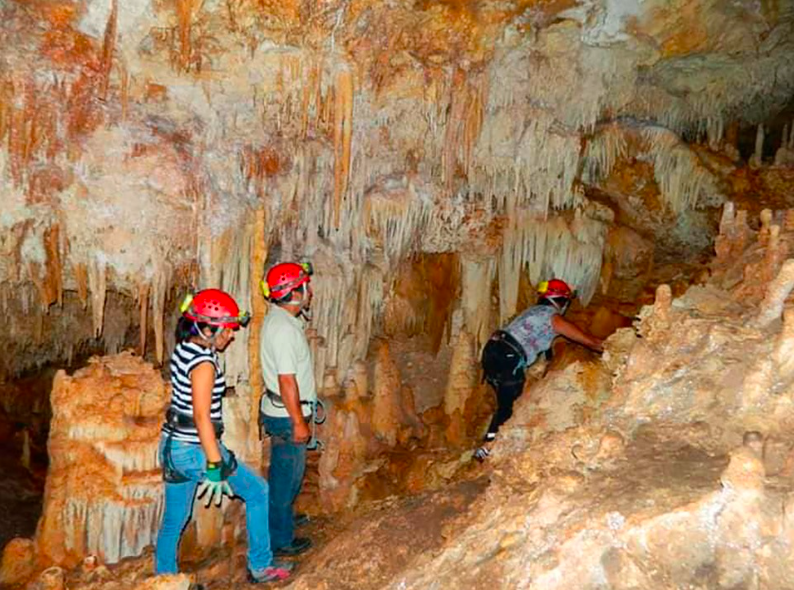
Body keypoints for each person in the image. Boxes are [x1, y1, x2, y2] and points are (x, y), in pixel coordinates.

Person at [155, 289, 293, 584]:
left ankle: (163, 580)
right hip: (195, 449)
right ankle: (261, 565)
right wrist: (215, 465)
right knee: (258, 492)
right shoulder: (204, 363)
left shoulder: (183, 348)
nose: (231, 336)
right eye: (227, 329)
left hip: (171, 445)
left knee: (174, 521)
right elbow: (202, 416)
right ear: (207, 328)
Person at [475, 279, 603, 461]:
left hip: (493, 351)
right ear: (561, 300)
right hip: (508, 355)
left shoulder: (532, 312)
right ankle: (488, 448)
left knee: (506, 401)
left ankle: (491, 443)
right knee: (510, 405)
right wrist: (609, 347)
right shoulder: (551, 316)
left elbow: (546, 348)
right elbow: (586, 340)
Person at [259, 261, 317, 557]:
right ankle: (280, 540)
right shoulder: (282, 329)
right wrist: (298, 421)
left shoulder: (284, 321)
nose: (310, 291)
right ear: (295, 292)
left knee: (288, 474)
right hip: (286, 415)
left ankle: (282, 522)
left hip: (283, 411)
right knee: (286, 478)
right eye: (306, 286)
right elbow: (286, 380)